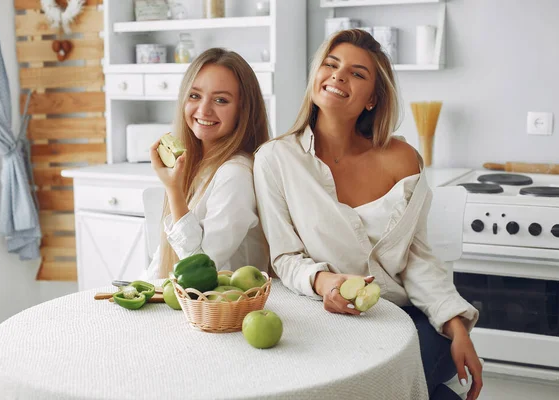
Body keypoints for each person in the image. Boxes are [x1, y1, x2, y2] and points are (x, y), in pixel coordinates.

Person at [253, 30, 482, 400]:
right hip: (331, 320)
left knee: (386, 381)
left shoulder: (402, 158)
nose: (338, 76)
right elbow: (285, 257)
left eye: (357, 73)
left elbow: (416, 257)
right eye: (330, 64)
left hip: (409, 317)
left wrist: (456, 326)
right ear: (316, 75)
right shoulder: (275, 159)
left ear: (373, 98)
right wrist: (323, 283)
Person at [145, 48, 270, 279]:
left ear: (243, 110)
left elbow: (201, 271)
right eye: (194, 96)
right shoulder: (197, 166)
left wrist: (173, 190)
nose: (203, 110)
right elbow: (164, 260)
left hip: (221, 311)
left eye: (221, 100)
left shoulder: (236, 174)